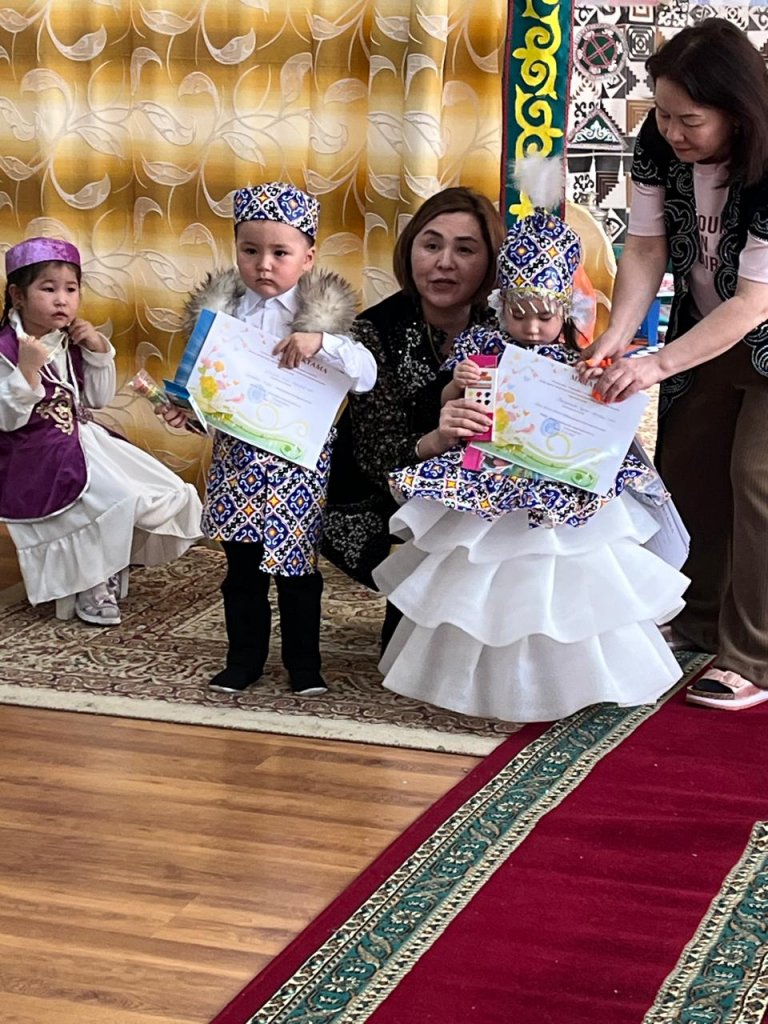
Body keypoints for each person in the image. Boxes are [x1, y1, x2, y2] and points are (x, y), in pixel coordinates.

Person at [372, 159, 689, 723]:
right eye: (521, 315)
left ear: (566, 311)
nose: (535, 328)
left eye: (546, 317)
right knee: (482, 571)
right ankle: (478, 680)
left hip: (558, 483)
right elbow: (453, 395)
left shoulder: (578, 358)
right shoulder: (482, 348)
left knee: (563, 571)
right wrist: (458, 383)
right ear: (502, 307)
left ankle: (569, 678)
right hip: (490, 478)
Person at [581, 19, 768, 712]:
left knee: (757, 480)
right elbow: (645, 248)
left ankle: (753, 655)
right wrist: (617, 335)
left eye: (690, 120)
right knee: (686, 469)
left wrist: (655, 364)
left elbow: (752, 303)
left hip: (757, 324)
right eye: (663, 113)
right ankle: (694, 621)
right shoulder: (659, 141)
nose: (672, 131)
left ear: (737, 112)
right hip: (702, 324)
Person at [166, 182, 377, 697]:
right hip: (237, 464)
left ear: (308, 258)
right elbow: (207, 391)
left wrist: (321, 341)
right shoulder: (223, 317)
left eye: (280, 253)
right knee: (241, 570)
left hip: (297, 469)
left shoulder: (322, 319)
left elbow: (366, 375)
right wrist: (187, 411)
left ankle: (305, 667)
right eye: (250, 250)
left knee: (297, 572)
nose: (263, 264)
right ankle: (243, 662)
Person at [323, 187, 506, 646]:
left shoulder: (510, 324)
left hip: (493, 488)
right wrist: (436, 441)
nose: (444, 262)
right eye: (432, 245)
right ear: (410, 251)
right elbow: (376, 453)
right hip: (386, 490)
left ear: (491, 261)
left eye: (465, 249)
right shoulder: (373, 330)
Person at [0, 236, 203, 625]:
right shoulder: (7, 349)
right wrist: (27, 368)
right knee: (117, 496)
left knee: (162, 489)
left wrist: (96, 350)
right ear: (18, 295)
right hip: (30, 452)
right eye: (49, 289)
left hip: (80, 441)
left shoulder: (69, 339)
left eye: (71, 289)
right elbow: (8, 419)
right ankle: (91, 582)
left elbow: (96, 398)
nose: (62, 300)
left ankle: (108, 563)